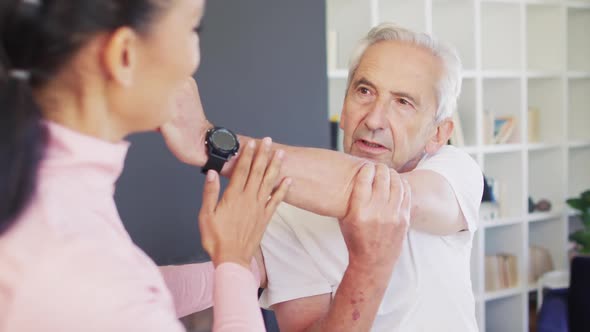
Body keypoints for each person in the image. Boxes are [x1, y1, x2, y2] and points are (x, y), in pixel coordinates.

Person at [161, 23, 483, 331]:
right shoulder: (287, 211)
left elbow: (376, 191)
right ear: (343, 109)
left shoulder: (454, 171)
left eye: (402, 102)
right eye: (365, 91)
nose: (374, 119)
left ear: (439, 133)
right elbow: (230, 279)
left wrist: (211, 144)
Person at [0, 0, 292, 331]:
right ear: (125, 55)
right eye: (193, 29)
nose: (194, 61)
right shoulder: (77, 262)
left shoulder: (40, 189)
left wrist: (248, 269)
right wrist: (235, 261)